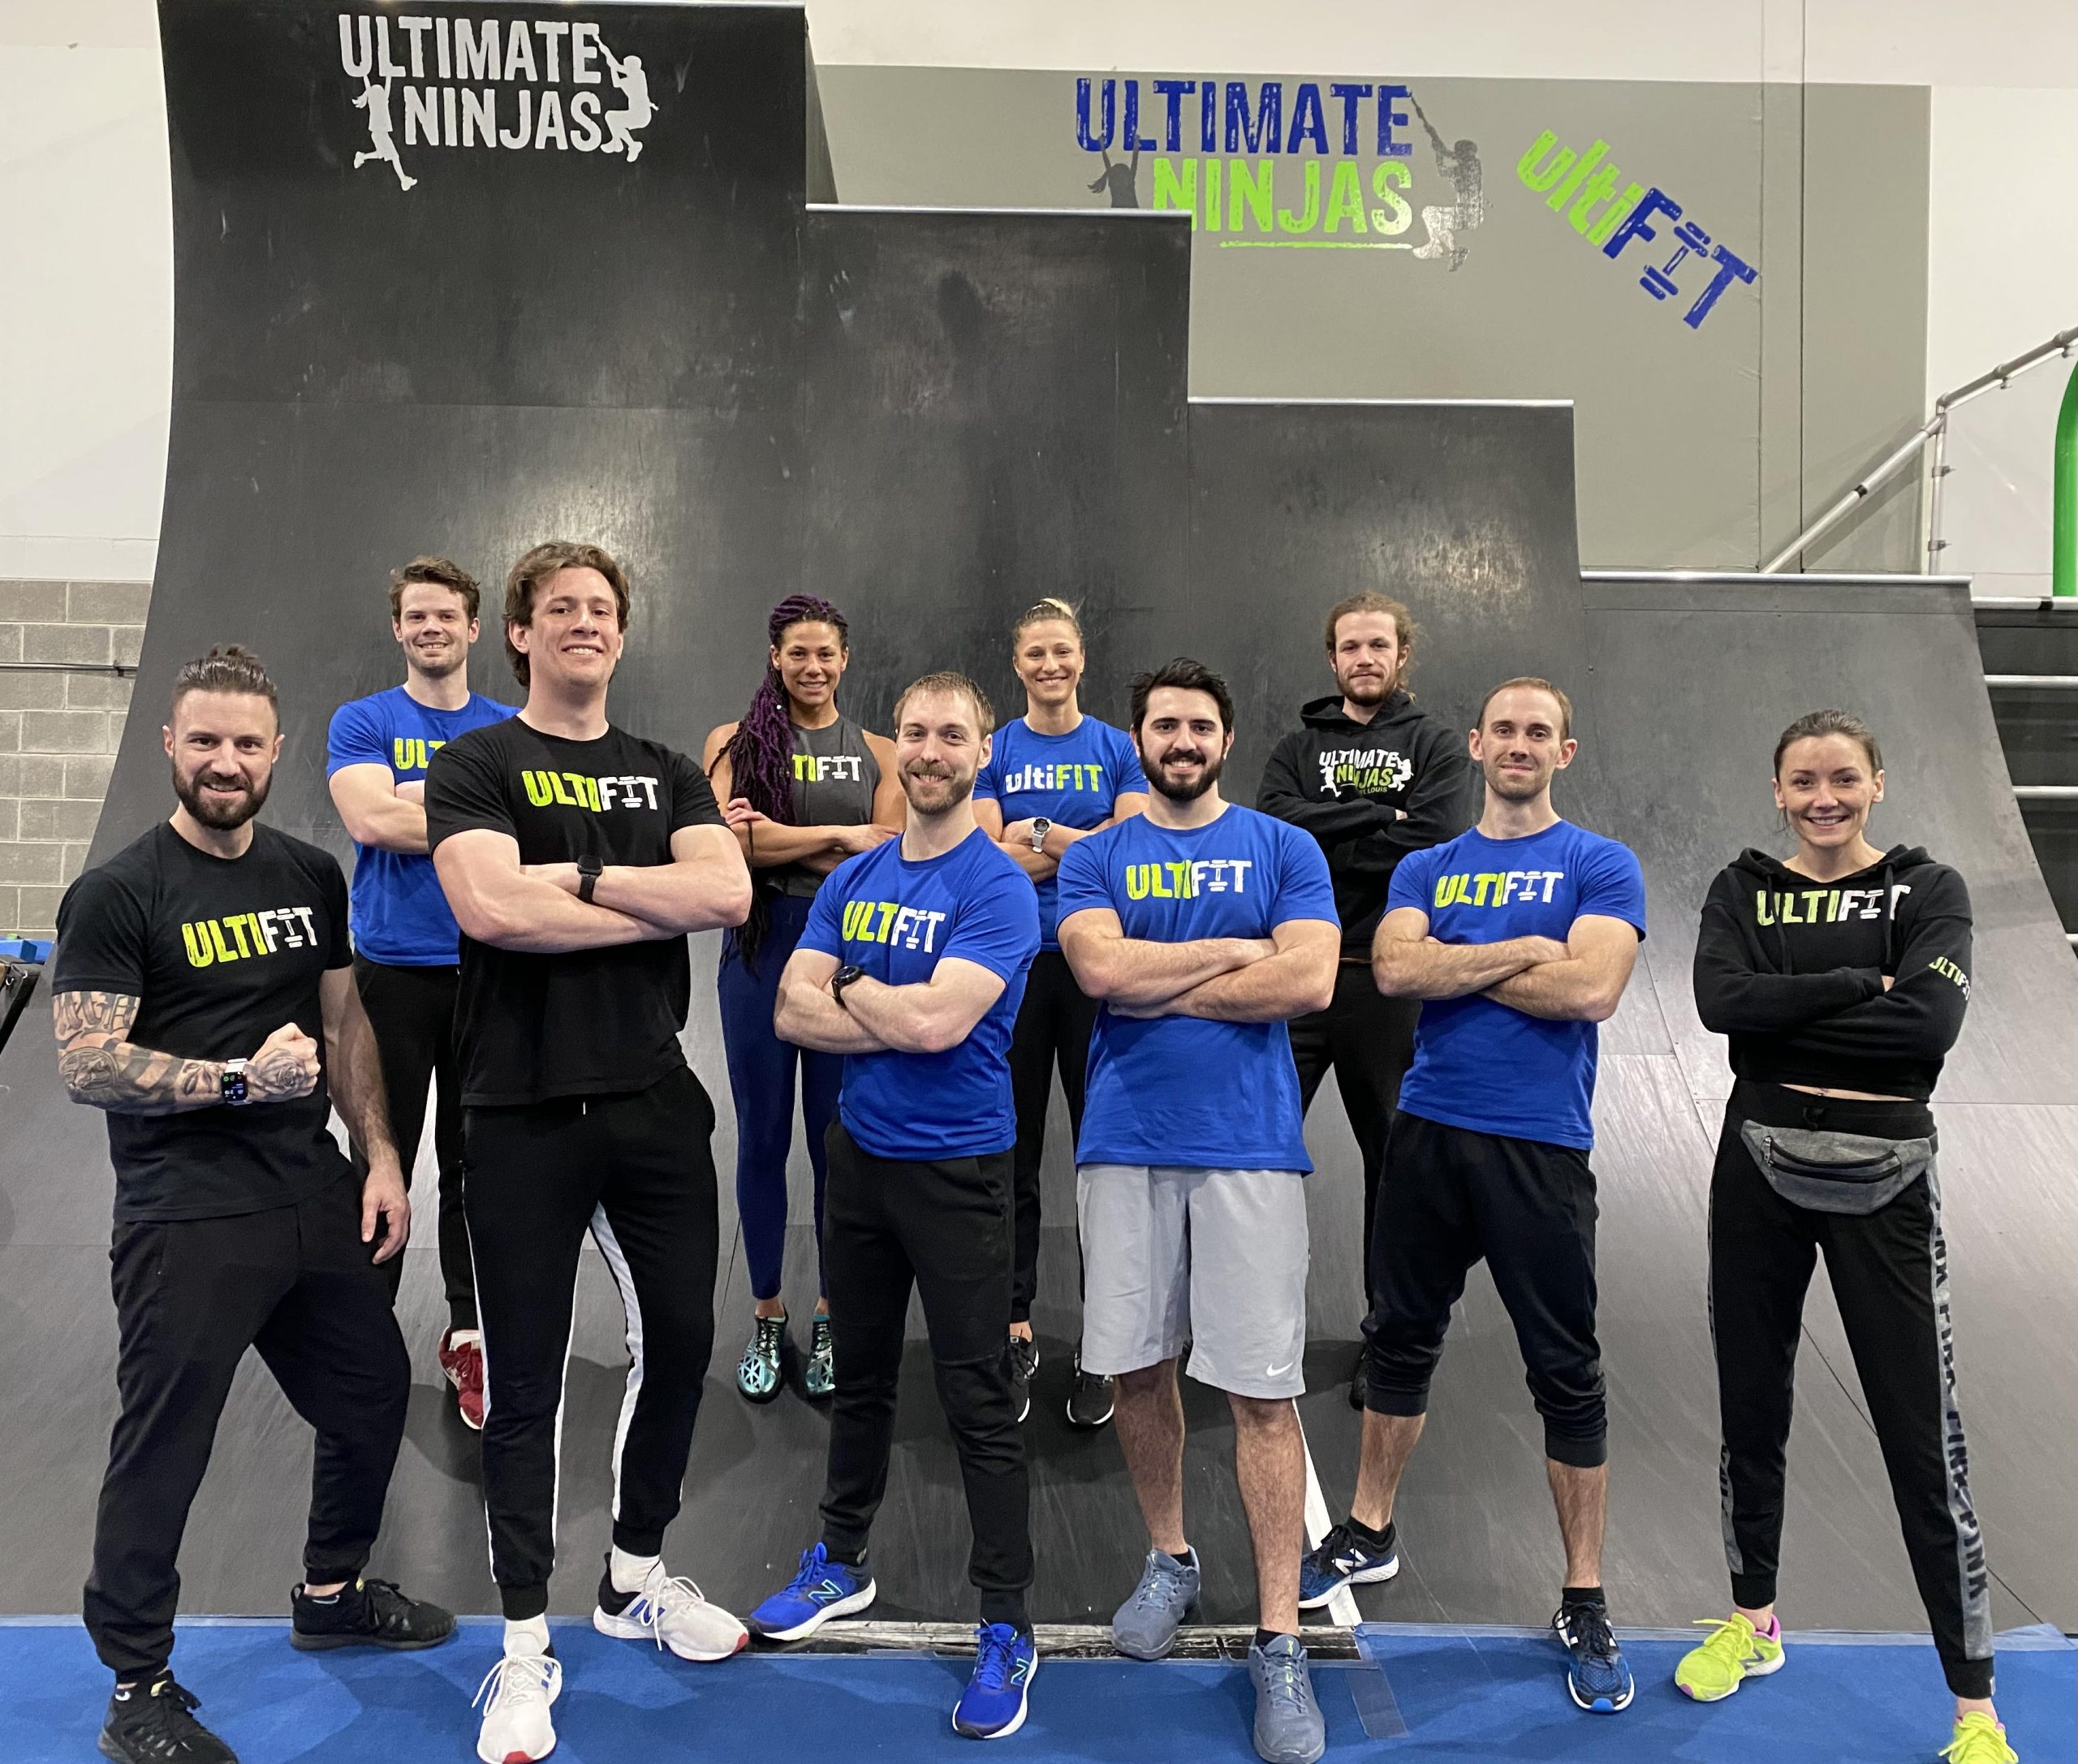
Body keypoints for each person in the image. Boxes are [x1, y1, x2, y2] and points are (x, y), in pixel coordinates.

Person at [52, 646, 452, 1764]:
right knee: (166, 1442)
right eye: (205, 741)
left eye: (245, 744)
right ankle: (136, 1682)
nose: (225, 763)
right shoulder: (121, 890)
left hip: (307, 1192)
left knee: (372, 1391)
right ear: (168, 746)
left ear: (275, 754)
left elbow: (345, 1025)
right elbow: (86, 1063)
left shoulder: (307, 875)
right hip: (186, 1211)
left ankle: (329, 1588)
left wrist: (378, 1152)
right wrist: (233, 1080)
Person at [425, 542, 753, 1764]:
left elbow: (723, 897)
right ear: (519, 632)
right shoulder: (477, 762)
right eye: (558, 608)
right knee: (526, 1383)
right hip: (516, 1113)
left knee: (681, 1342)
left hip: (654, 1105)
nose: (583, 624)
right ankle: (521, 1647)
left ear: (623, 635)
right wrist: (632, 885)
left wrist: (570, 874)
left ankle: (631, 1577)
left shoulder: (664, 766)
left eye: (601, 610)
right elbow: (489, 909)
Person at [1307, 677, 1645, 1716]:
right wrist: (1524, 950)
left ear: (1564, 750)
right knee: (1397, 1338)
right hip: (1428, 1135)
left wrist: (1459, 963)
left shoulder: (1599, 862)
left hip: (1539, 1149)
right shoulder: (1427, 862)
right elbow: (1395, 970)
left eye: (1538, 730)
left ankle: (1582, 1592)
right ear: (1476, 743)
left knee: (1566, 1371)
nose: (1519, 744)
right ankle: (1369, 1529)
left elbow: (1591, 990)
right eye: (1504, 729)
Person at [1681, 711, 2012, 1764]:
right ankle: (1754, 1620)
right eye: (1802, 780)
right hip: (1757, 1169)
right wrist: (1849, 986)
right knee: (1751, 1407)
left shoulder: (1931, 890)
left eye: (1842, 778)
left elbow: (1928, 1028)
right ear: (1777, 791)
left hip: (1887, 1181)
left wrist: (1781, 1018)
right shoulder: (1743, 887)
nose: (1823, 796)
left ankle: (1975, 1710)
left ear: (1877, 782)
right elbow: (1717, 1005)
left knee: (1925, 1446)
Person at [748, 672, 1041, 1741]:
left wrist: (858, 993)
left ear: (981, 752)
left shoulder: (998, 886)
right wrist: (889, 1005)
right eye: (914, 732)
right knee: (859, 1379)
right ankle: (841, 1559)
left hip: (959, 1173)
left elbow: (935, 1029)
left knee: (978, 1403)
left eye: (950, 734)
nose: (928, 750)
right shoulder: (858, 873)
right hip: (859, 1164)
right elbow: (789, 1007)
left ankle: (1009, 1623)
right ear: (896, 750)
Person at [1056, 658, 1339, 1764]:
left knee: (1262, 1394)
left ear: (1226, 738)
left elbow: (1310, 982)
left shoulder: (1285, 848)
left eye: (1200, 724)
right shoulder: (1095, 854)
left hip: (1250, 1151)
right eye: (1165, 723)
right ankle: (1169, 1559)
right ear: (1138, 739)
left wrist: (1155, 971)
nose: (1182, 738)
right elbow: (1097, 974)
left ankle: (1278, 1638)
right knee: (1136, 1369)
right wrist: (1235, 951)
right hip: (1123, 1145)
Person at [1257, 592, 1473, 1404]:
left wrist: (1332, 830)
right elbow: (1276, 824)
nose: (1363, 658)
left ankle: (1390, 1331)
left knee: (1395, 1163)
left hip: (1389, 977)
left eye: (1377, 645)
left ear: (1400, 655)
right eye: (1349, 646)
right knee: (1260, 1148)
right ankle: (1253, 1319)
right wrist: (1378, 812)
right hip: (1303, 972)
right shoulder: (1296, 745)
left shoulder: (1436, 745)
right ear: (1332, 656)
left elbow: (1437, 838)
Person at [327, 555, 515, 1430]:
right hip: (393, 972)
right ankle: (366, 1347)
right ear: (398, 629)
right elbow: (369, 819)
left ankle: (470, 1337)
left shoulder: (509, 725)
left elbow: (528, 835)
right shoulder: (363, 719)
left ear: (475, 628)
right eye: (417, 617)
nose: (432, 628)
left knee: (479, 1167)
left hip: (488, 970)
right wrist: (475, 817)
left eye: (447, 615)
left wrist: (420, 802)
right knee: (384, 1157)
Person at [704, 597, 901, 1404]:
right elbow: (724, 847)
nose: (812, 667)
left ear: (845, 659)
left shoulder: (878, 751)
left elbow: (883, 858)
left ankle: (826, 1313)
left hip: (838, 956)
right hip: (756, 953)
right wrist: (838, 838)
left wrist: (780, 843)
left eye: (825, 654)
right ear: (775, 657)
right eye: (797, 654)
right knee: (758, 1139)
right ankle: (766, 1312)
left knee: (833, 1144)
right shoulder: (733, 742)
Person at [972, 597, 1148, 1428]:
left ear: (1081, 659)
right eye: (1034, 652)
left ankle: (1105, 1347)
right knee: (1010, 1157)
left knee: (1102, 1162)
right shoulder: (995, 746)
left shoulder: (1117, 747)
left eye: (1061, 651)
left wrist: (1035, 829)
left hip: (1092, 968)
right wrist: (1078, 842)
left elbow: (1129, 855)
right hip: (1013, 970)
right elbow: (983, 857)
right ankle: (1014, 1329)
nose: (1049, 664)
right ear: (1018, 665)